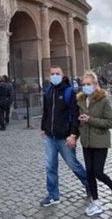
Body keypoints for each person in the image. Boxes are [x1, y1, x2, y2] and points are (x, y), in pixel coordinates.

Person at [40, 65, 89, 207]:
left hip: (64, 137)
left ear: (62, 75)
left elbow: (75, 115)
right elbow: (46, 112)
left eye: (57, 73)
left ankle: (89, 184)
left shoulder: (69, 92)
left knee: (73, 164)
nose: (54, 76)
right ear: (49, 76)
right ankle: (53, 195)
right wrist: (44, 127)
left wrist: (73, 134)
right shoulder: (48, 92)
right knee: (50, 167)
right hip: (50, 136)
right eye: (52, 74)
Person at [76, 71, 112, 217]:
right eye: (83, 84)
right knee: (89, 172)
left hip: (100, 142)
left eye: (89, 84)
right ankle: (96, 202)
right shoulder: (80, 100)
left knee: (98, 172)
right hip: (86, 142)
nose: (86, 87)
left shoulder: (104, 100)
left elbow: (110, 122)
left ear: (95, 85)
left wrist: (90, 120)